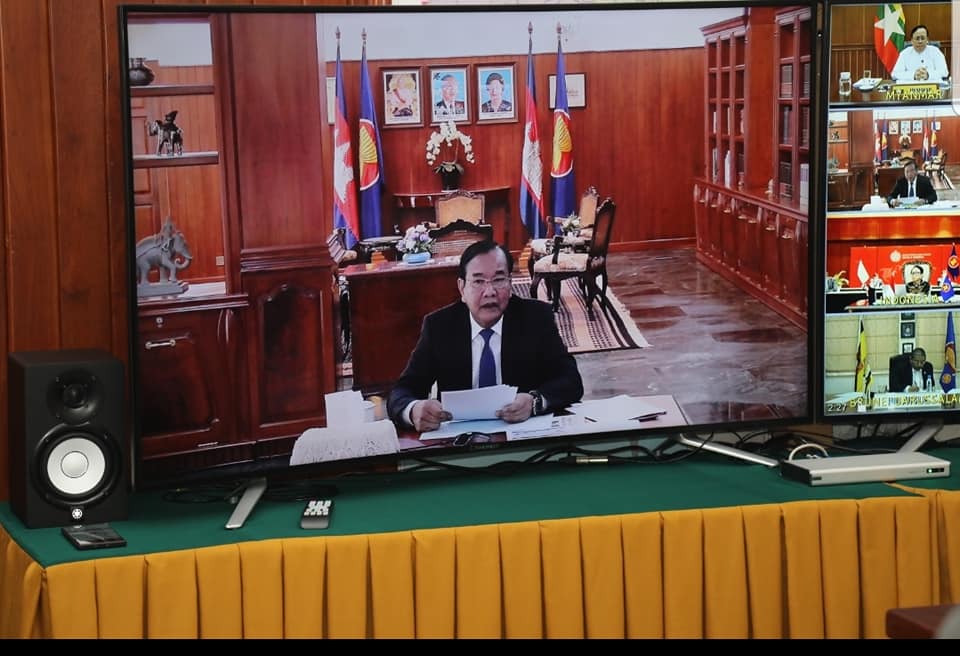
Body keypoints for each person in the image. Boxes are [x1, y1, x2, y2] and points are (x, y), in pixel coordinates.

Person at [387, 240, 584, 432]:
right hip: (459, 441)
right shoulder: (439, 326)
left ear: (510, 283)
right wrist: (413, 410)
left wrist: (535, 401)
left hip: (521, 435)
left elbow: (570, 380)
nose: (490, 292)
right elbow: (402, 391)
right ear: (462, 288)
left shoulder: (536, 318)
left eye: (499, 280)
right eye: (478, 281)